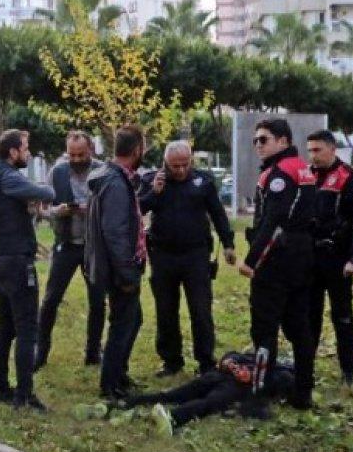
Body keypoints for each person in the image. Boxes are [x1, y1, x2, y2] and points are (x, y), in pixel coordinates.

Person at [239, 118, 317, 409]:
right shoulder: (303, 169)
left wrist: (252, 260)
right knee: (299, 328)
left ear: (283, 141)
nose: (258, 145)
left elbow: (273, 222)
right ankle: (303, 391)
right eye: (255, 140)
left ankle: (259, 394)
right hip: (301, 257)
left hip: (277, 260)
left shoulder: (279, 174)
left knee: (264, 329)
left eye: (264, 139)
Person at [139, 141, 236, 376]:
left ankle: (205, 361)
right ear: (165, 162)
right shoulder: (152, 180)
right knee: (166, 310)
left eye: (185, 164)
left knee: (201, 310)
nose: (181, 170)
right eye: (175, 166)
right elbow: (138, 209)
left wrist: (228, 243)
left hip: (196, 254)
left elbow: (218, 213)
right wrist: (154, 193)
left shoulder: (203, 181)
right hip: (163, 254)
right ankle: (171, 360)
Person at [0, 129, 55, 411]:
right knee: (27, 330)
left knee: (5, 327)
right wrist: (45, 193)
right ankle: (24, 395)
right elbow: (45, 191)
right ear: (12, 152)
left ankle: (0, 388)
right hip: (18, 262)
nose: (28, 153)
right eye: (25, 148)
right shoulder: (9, 177)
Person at [86, 126, 148, 400]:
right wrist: (127, 275)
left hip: (116, 266)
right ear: (137, 151)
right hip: (119, 269)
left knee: (132, 320)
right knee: (124, 323)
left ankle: (118, 376)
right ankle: (111, 385)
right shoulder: (115, 183)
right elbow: (116, 232)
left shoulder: (117, 178)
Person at [35, 131, 106, 370]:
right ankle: (40, 351)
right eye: (72, 154)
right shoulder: (57, 172)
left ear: (91, 150)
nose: (76, 159)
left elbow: (113, 207)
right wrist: (59, 211)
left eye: (81, 154)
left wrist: (93, 209)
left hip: (94, 246)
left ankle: (93, 352)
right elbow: (42, 210)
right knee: (51, 300)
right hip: (65, 244)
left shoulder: (103, 171)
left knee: (97, 301)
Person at [305, 130, 353, 385]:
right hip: (312, 258)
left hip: (338, 259)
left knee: (342, 316)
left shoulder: (351, 179)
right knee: (310, 315)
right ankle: (305, 368)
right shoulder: (307, 176)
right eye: (310, 150)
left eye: (318, 150)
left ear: (333, 149)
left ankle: (348, 370)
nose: (313, 155)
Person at [124, 351, 296, 430]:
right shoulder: (259, 355)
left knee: (208, 404)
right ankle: (129, 402)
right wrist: (231, 364)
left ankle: (173, 418)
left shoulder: (282, 374)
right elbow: (232, 355)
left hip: (237, 388)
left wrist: (250, 377)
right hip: (220, 375)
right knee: (175, 394)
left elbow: (275, 391)